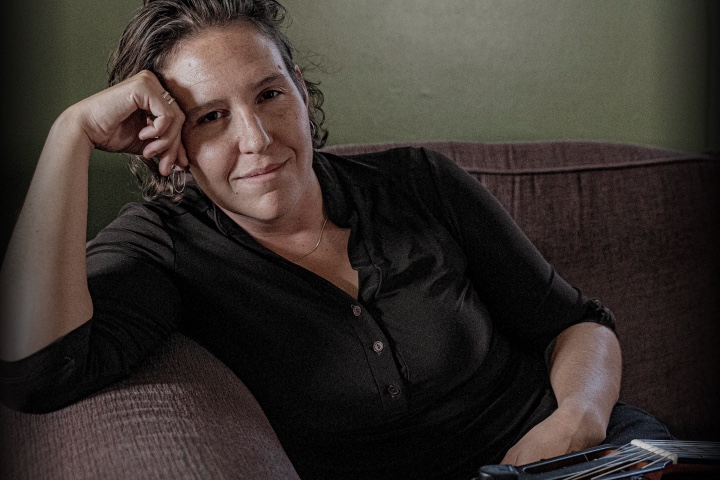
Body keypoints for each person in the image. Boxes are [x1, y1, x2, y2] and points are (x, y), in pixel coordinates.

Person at [0, 0, 672, 478]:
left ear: (301, 90)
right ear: (165, 143)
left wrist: (579, 416)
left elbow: (577, 323)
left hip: (587, 456)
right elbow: (37, 373)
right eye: (211, 116)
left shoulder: (418, 181)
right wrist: (72, 135)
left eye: (269, 94)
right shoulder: (164, 248)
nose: (257, 139)